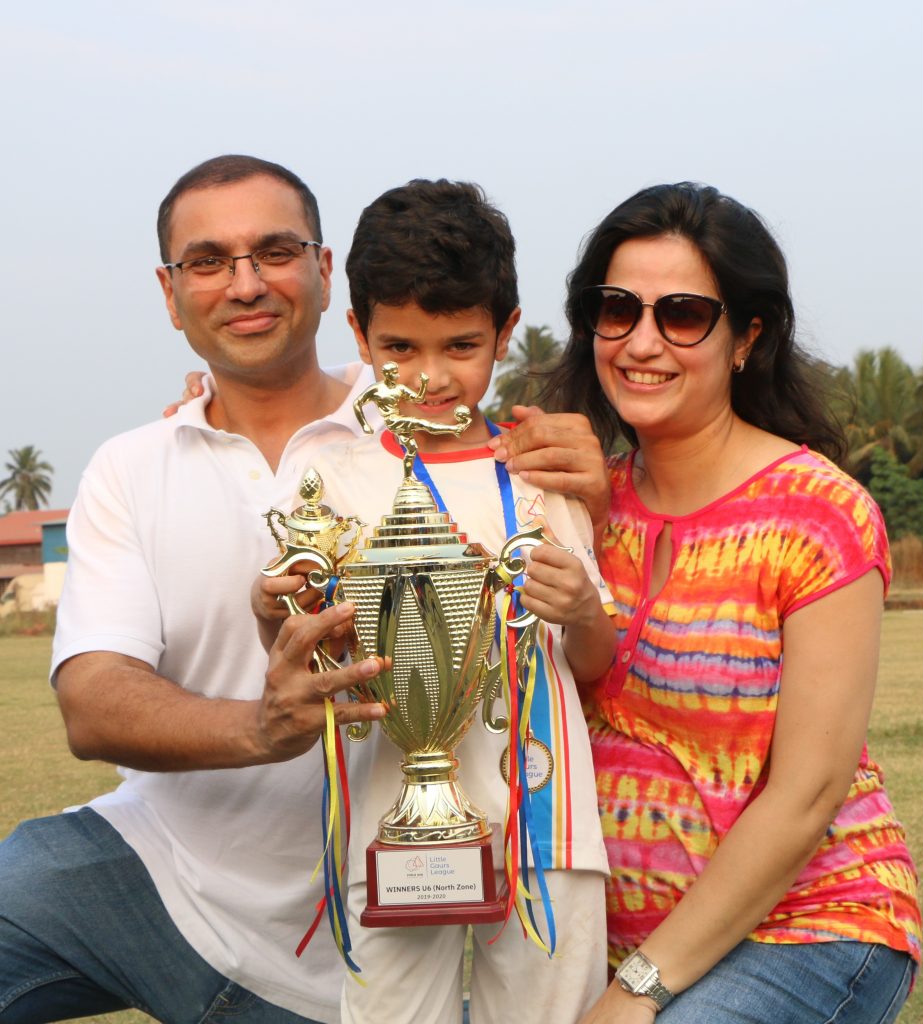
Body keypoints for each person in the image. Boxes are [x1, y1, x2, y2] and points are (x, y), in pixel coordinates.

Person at [0, 155, 390, 1024]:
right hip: (153, 879)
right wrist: (263, 727)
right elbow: (94, 703)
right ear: (171, 295)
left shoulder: (423, 436)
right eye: (208, 262)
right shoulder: (132, 466)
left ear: (326, 273)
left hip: (372, 935)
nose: (245, 284)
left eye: (275, 251)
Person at [526, 182, 921, 1023]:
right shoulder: (578, 506)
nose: (641, 342)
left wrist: (641, 991)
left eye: (681, 314)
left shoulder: (819, 513)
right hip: (617, 940)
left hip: (809, 929)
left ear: (747, 337)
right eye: (616, 309)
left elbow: (808, 793)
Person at [252, 179, 617, 1024]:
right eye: (399, 347)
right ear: (357, 334)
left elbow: (592, 663)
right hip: (387, 830)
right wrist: (277, 605)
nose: (429, 375)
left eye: (460, 345)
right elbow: (292, 638)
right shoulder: (329, 477)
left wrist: (584, 613)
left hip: (544, 828)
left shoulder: (539, 475)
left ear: (506, 332)